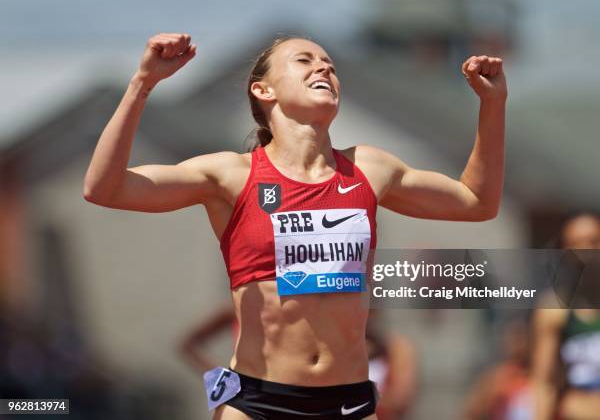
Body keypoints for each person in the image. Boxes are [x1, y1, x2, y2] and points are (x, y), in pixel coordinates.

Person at [83, 32, 506, 419]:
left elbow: (476, 202)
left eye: (330, 64)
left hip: (349, 403)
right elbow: (105, 189)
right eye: (304, 61)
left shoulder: (370, 169)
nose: (324, 67)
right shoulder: (230, 175)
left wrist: (492, 105)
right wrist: (143, 83)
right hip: (257, 402)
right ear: (263, 90)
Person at [180, 306, 417, 419]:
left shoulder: (389, 346)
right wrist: (224, 384)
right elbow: (189, 344)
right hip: (252, 392)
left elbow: (399, 401)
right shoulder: (241, 306)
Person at [532, 212, 600, 420]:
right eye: (576, 243)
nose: (586, 250)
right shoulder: (554, 311)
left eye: (595, 241)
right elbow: (545, 382)